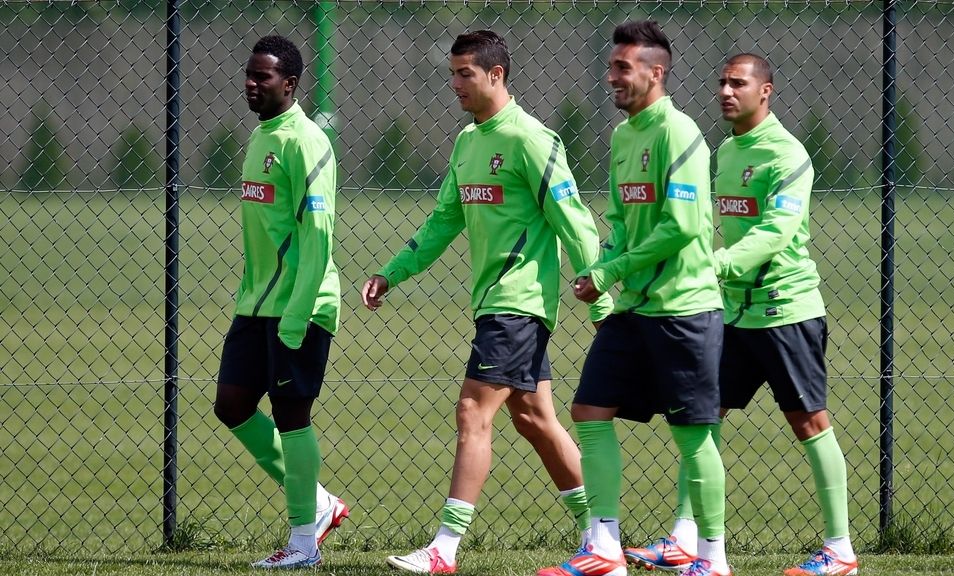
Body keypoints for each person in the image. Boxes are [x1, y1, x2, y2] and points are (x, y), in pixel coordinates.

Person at [361, 30, 612, 576]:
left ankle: (444, 549)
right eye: (452, 73)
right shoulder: (467, 143)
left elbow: (576, 224)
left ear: (496, 75)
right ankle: (601, 538)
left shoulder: (531, 139)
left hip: (517, 303)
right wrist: (393, 272)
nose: (454, 85)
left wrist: (601, 300)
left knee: (474, 411)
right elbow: (444, 220)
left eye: (464, 74)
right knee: (534, 417)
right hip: (495, 304)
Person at [539, 20, 730, 576]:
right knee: (589, 410)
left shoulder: (680, 133)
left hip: (685, 308)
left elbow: (685, 225)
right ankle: (603, 549)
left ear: (656, 72)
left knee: (693, 435)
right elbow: (622, 224)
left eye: (623, 67)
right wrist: (599, 267)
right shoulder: (624, 138)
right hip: (635, 308)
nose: (612, 77)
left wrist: (613, 269)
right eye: (612, 66)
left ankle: (712, 559)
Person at [713, 52, 858, 576]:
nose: (727, 92)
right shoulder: (726, 152)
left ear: (765, 91)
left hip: (786, 312)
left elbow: (775, 232)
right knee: (701, 415)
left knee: (810, 422)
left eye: (739, 84)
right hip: (735, 315)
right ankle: (690, 538)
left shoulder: (788, 154)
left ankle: (839, 550)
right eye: (723, 83)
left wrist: (720, 264)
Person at [213, 35, 349, 569]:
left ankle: (302, 544)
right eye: (249, 73)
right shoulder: (261, 135)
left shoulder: (306, 142)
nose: (251, 82)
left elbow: (318, 237)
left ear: (289, 84)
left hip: (302, 305)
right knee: (232, 405)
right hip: (256, 305)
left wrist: (296, 316)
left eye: (262, 76)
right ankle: (319, 504)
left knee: (292, 415)